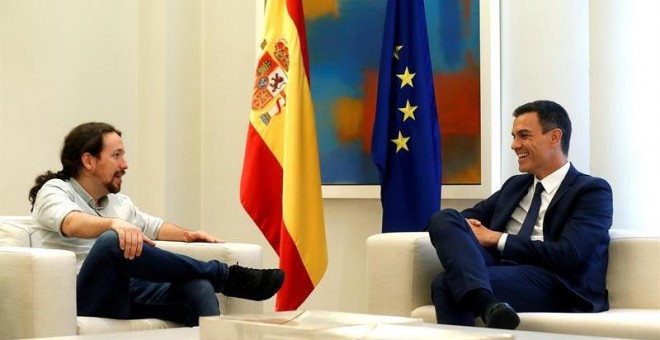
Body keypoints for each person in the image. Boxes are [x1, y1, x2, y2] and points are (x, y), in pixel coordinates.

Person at [28, 122, 284, 327]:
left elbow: (153, 227)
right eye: (116, 156)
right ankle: (224, 274)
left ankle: (215, 281)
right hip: (82, 298)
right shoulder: (54, 191)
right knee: (112, 241)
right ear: (88, 161)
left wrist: (188, 235)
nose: (124, 165)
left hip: (126, 293)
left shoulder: (118, 203)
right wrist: (115, 225)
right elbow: (71, 223)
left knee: (198, 288)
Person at [428, 100, 613, 329]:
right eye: (514, 136)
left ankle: (485, 302)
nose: (514, 145)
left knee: (445, 284)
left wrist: (498, 239)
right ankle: (488, 304)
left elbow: (570, 255)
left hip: (555, 281)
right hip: (502, 269)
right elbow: (463, 221)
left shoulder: (591, 191)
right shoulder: (515, 186)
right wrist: (463, 229)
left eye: (524, 136)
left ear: (554, 137)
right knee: (444, 218)